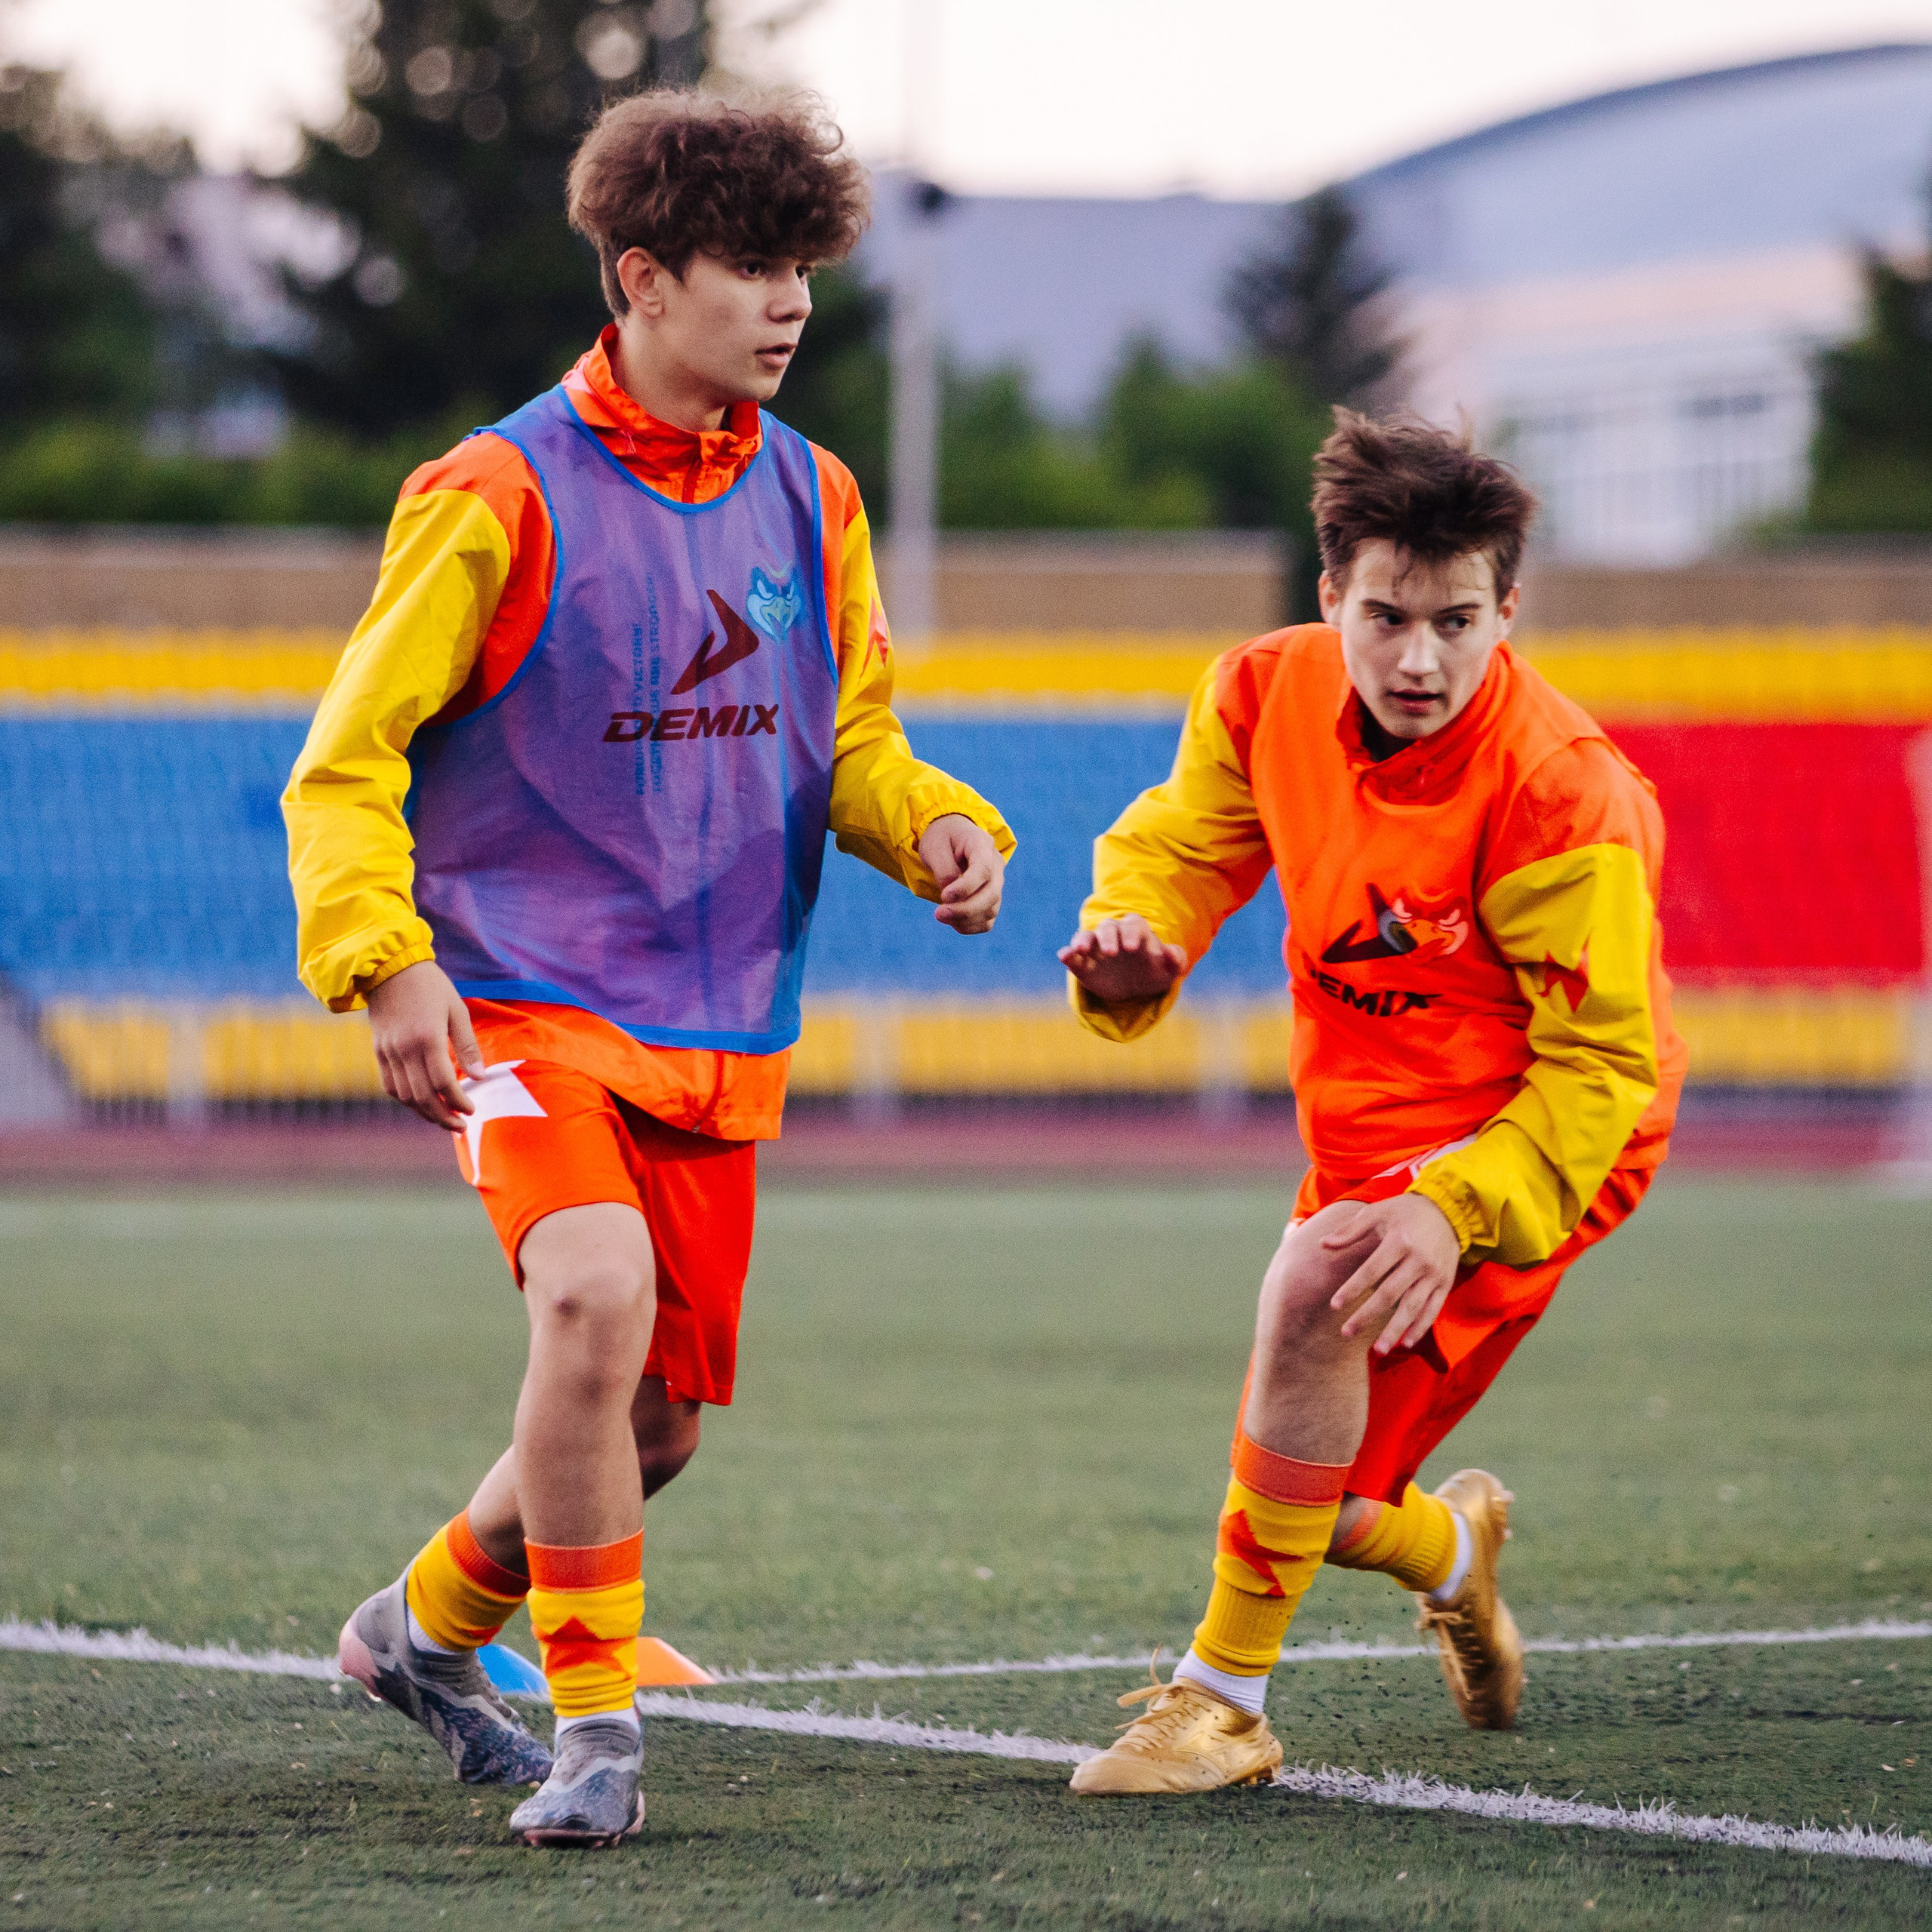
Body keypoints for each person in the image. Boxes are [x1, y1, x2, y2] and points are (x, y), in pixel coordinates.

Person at [283, 90, 1013, 1847]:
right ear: (640, 277)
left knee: (654, 1421)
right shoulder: (492, 492)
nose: (793, 306)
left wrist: (927, 825)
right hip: (519, 1002)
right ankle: (596, 1739)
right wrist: (383, 961)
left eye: (805, 271)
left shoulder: (814, 494)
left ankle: (417, 1633)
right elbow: (342, 757)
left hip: (717, 1029)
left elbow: (848, 743)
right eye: (755, 268)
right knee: (592, 1299)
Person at [1057, 411, 1684, 1794]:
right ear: (1329, 594)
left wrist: (1459, 1207)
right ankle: (1457, 1557)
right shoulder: (1257, 695)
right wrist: (1132, 942)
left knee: (1308, 1293)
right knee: (1327, 1498)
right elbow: (1177, 850)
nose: (1421, 658)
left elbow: (1601, 1069)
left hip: (1548, 1133)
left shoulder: (1560, 791)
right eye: (1388, 616)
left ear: (1508, 610)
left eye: (1460, 622)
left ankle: (1220, 1709)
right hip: (1370, 1137)